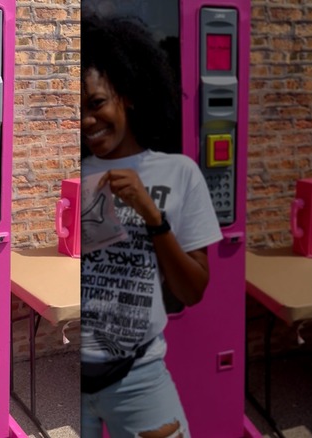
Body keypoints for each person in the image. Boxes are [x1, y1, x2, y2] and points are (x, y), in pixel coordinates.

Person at [79, 14, 223, 438]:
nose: (88, 120)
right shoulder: (73, 179)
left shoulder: (178, 173)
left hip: (139, 378)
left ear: (128, 95)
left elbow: (192, 290)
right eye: (78, 110)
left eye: (96, 103)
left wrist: (152, 216)